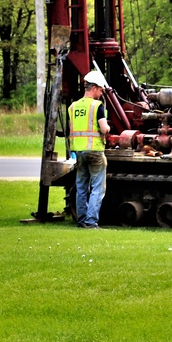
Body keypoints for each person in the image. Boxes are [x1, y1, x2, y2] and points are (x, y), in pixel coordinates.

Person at [69, 71, 111, 229]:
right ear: (94, 88)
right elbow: (104, 128)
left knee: (81, 187)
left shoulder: (73, 107)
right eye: (100, 90)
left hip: (79, 152)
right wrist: (108, 128)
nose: (101, 94)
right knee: (97, 188)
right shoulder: (96, 106)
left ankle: (81, 221)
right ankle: (91, 222)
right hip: (95, 151)